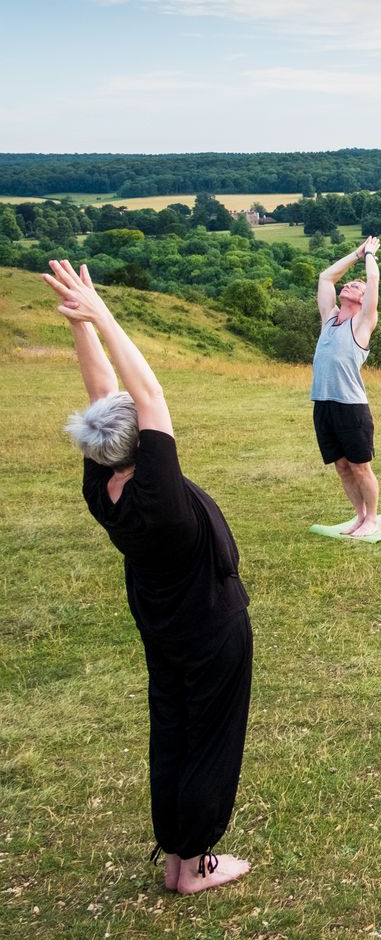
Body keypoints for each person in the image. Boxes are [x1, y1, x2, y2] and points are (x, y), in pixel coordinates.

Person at [43, 259, 253, 894]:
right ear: (145, 443)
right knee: (210, 738)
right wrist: (100, 311)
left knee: (173, 729)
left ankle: (175, 856)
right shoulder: (159, 496)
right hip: (209, 630)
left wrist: (81, 322)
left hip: (163, 626)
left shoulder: (105, 483)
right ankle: (195, 866)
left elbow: (105, 397)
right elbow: (149, 394)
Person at [312, 236, 381, 536]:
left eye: (356, 286)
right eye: (349, 284)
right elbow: (326, 277)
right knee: (341, 466)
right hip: (323, 404)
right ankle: (359, 516)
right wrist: (355, 253)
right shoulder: (329, 319)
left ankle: (373, 519)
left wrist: (369, 255)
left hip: (350, 406)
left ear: (364, 299)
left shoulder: (362, 324)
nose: (349, 286)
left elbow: (373, 278)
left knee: (360, 466)